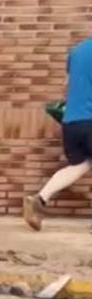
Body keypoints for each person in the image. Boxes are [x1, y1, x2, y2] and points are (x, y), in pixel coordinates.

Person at [23, 35, 92, 229]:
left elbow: (67, 83)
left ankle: (40, 199)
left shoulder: (77, 51)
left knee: (80, 164)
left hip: (72, 121)